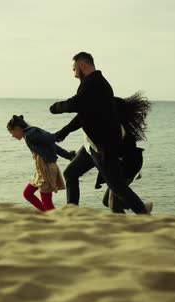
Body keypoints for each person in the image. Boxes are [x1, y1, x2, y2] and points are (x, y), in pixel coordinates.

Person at [49, 51, 150, 214]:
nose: (74, 74)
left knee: (116, 185)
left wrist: (56, 108)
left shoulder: (95, 84)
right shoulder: (92, 83)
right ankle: (72, 212)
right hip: (91, 146)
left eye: (74, 69)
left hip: (104, 147)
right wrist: (64, 131)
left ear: (83, 65)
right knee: (71, 173)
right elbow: (83, 115)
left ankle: (143, 213)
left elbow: (76, 103)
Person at [7, 115, 75, 211]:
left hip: (46, 168)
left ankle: (55, 221)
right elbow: (51, 144)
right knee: (28, 194)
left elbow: (50, 138)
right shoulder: (29, 133)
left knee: (46, 201)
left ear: (17, 128)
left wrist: (56, 136)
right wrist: (68, 155)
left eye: (11, 132)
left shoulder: (31, 133)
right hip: (41, 169)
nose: (12, 135)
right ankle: (46, 215)